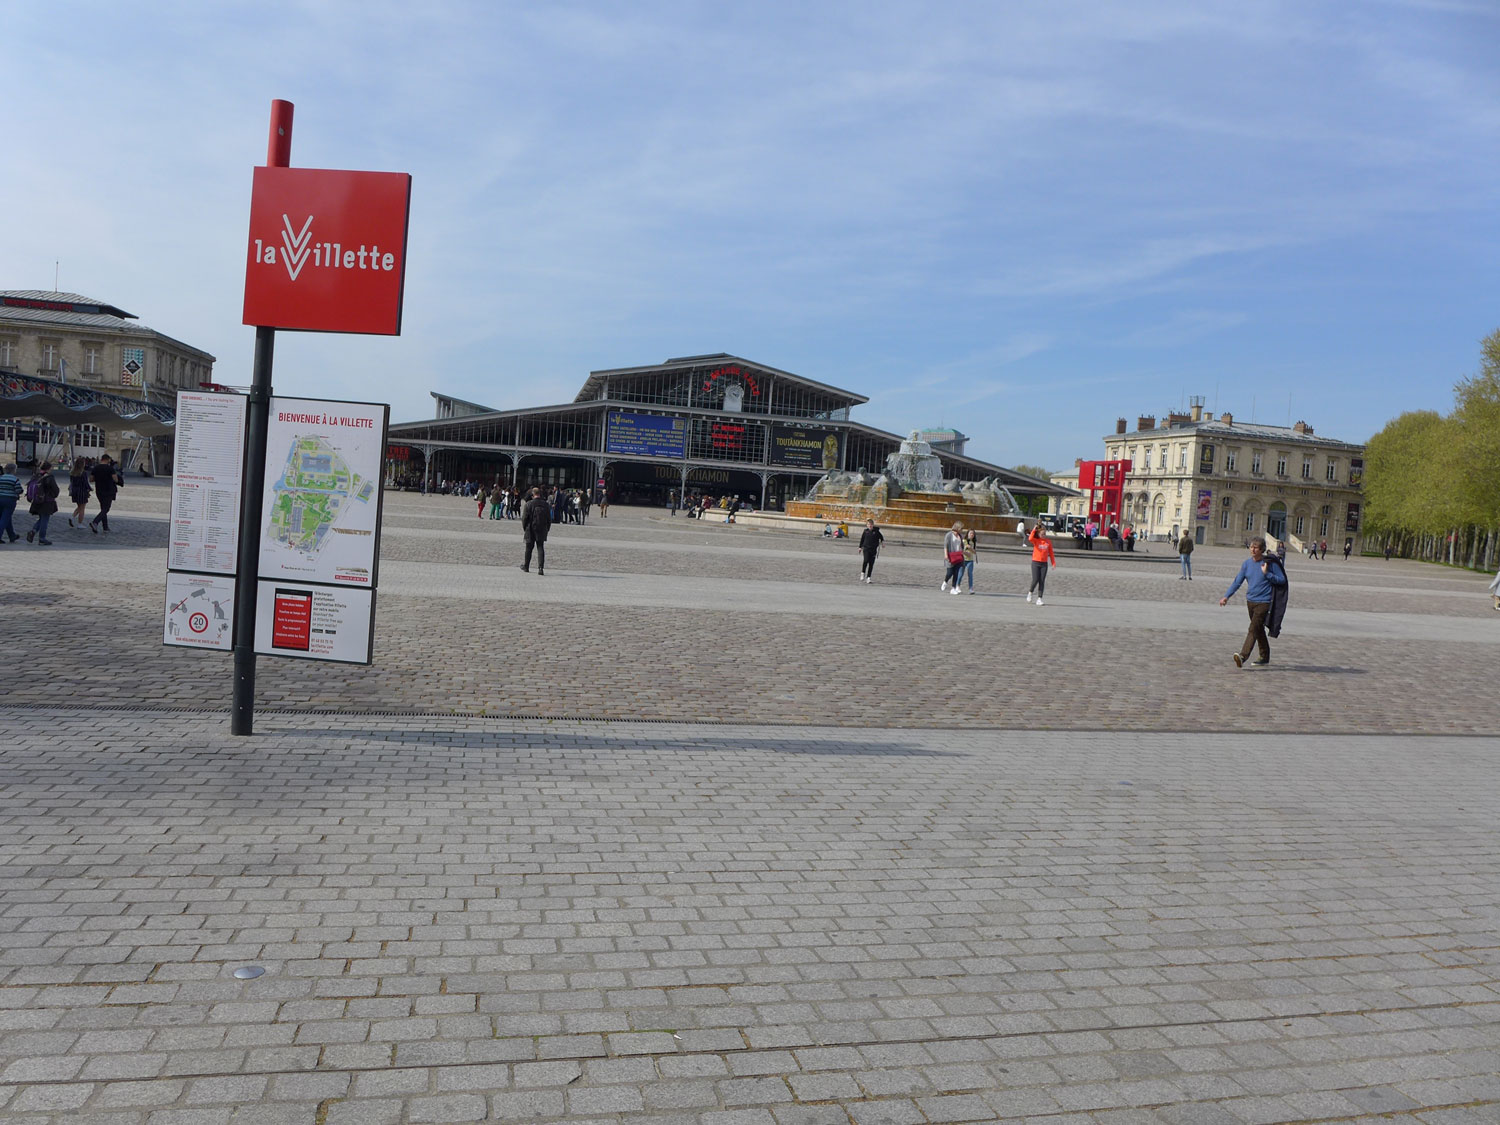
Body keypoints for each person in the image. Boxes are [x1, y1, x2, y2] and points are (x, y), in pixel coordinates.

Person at [1220, 536, 1288, 667]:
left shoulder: (1270, 563)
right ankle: (1264, 656)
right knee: (1258, 629)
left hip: (1265, 602)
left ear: (1261, 549)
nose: (1253, 549)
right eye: (1251, 547)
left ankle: (1242, 656)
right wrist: (1226, 596)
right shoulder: (1246, 564)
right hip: (1250, 601)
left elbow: (1282, 580)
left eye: (1256, 547)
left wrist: (1267, 574)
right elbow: (1237, 581)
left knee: (1253, 628)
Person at [25, 461, 60, 545]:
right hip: (47, 501)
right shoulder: (49, 477)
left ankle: (33, 531)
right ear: (48, 468)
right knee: (45, 519)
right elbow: (55, 490)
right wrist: (53, 495)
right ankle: (42, 538)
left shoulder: (35, 476)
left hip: (37, 501)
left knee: (41, 518)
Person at [88, 454, 122, 534]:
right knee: (106, 508)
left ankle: (105, 527)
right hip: (108, 490)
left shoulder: (96, 468)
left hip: (99, 490)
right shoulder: (110, 468)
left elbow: (91, 479)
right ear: (108, 460)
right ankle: (95, 522)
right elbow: (116, 480)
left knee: (103, 508)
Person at [520, 487, 551, 574]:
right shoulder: (545, 504)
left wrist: (525, 528)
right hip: (541, 529)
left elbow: (524, 518)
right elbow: (549, 519)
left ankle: (526, 566)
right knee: (540, 547)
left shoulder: (529, 504)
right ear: (540, 494)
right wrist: (547, 529)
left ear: (533, 494)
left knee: (529, 548)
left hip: (530, 528)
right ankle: (540, 568)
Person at [1026, 521, 1055, 605]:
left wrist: (1053, 563)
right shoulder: (1036, 541)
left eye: (1044, 534)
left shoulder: (1048, 542)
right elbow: (1030, 538)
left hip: (1044, 564)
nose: (1043, 535)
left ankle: (1039, 598)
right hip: (1035, 562)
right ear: (1039, 534)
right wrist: (1034, 529)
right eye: (1042, 534)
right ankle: (1030, 593)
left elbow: (1051, 553)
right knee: (1035, 579)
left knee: (1042, 580)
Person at [940, 521, 965, 595]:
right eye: (961, 528)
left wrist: (963, 552)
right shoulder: (949, 535)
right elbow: (945, 546)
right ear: (957, 528)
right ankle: (945, 581)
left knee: (956, 573)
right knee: (950, 573)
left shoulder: (960, 536)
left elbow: (961, 546)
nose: (962, 530)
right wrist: (946, 555)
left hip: (958, 556)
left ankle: (953, 588)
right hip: (951, 556)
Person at [0, 462, 22, 544]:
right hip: (10, 500)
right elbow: (18, 490)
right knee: (4, 518)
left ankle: (12, 535)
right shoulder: (15, 479)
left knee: (6, 518)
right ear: (14, 470)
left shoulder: (1, 478)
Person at [857, 518, 883, 583]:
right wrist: (860, 547)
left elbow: (881, 538)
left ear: (873, 525)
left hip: (873, 549)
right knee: (866, 560)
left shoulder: (876, 531)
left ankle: (868, 577)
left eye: (871, 524)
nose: (870, 526)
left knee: (871, 564)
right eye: (868, 524)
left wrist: (882, 543)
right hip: (866, 548)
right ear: (867, 525)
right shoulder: (865, 531)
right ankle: (863, 573)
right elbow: (862, 539)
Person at [68, 457, 91, 528]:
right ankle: (80, 524)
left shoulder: (72, 472)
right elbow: (85, 483)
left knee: (79, 506)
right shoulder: (83, 473)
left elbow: (71, 482)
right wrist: (90, 489)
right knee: (82, 508)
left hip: (75, 491)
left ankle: (72, 517)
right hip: (82, 491)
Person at [958, 527, 978, 594]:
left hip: (970, 560)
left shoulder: (974, 542)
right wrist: (969, 549)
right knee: (960, 574)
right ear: (968, 534)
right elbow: (962, 549)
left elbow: (975, 552)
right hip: (963, 560)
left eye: (973, 533)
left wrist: (970, 548)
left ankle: (971, 588)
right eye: (970, 533)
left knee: (970, 574)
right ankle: (957, 586)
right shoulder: (964, 540)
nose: (972, 534)